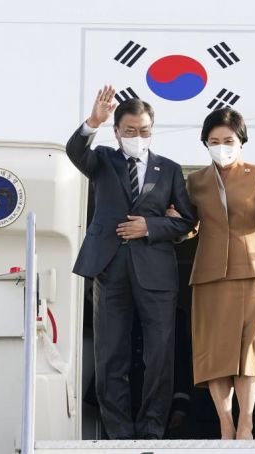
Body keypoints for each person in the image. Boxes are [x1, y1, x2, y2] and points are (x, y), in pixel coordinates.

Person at [65, 85, 196, 439]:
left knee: (160, 355)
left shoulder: (169, 169)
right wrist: (93, 121)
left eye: (144, 131)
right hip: (110, 269)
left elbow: (186, 220)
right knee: (111, 354)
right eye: (130, 131)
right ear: (117, 131)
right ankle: (119, 434)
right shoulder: (103, 160)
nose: (138, 137)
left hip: (156, 273)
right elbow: (75, 152)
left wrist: (149, 226)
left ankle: (152, 430)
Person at [167, 107, 255, 439]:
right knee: (214, 351)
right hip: (208, 273)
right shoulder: (195, 181)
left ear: (241, 142)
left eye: (228, 140)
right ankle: (226, 424)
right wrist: (175, 223)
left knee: (244, 347)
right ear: (205, 143)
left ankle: (246, 423)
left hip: (251, 271)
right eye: (214, 141)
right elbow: (190, 227)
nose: (221, 147)